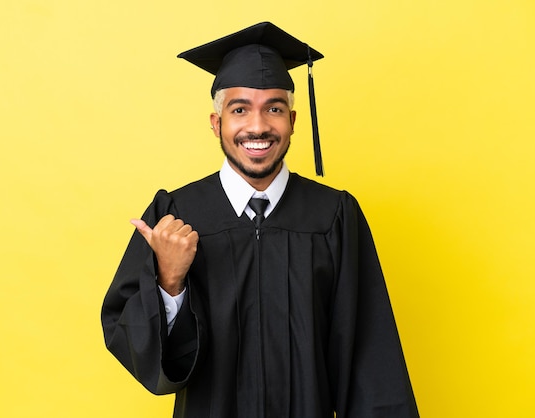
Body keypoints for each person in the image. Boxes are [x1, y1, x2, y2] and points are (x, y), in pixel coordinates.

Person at [101, 22, 419, 418]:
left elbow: (370, 357)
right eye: (239, 109)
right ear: (216, 124)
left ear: (293, 121)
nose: (258, 126)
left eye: (274, 108)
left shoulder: (334, 216)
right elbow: (133, 343)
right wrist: (169, 281)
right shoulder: (177, 215)